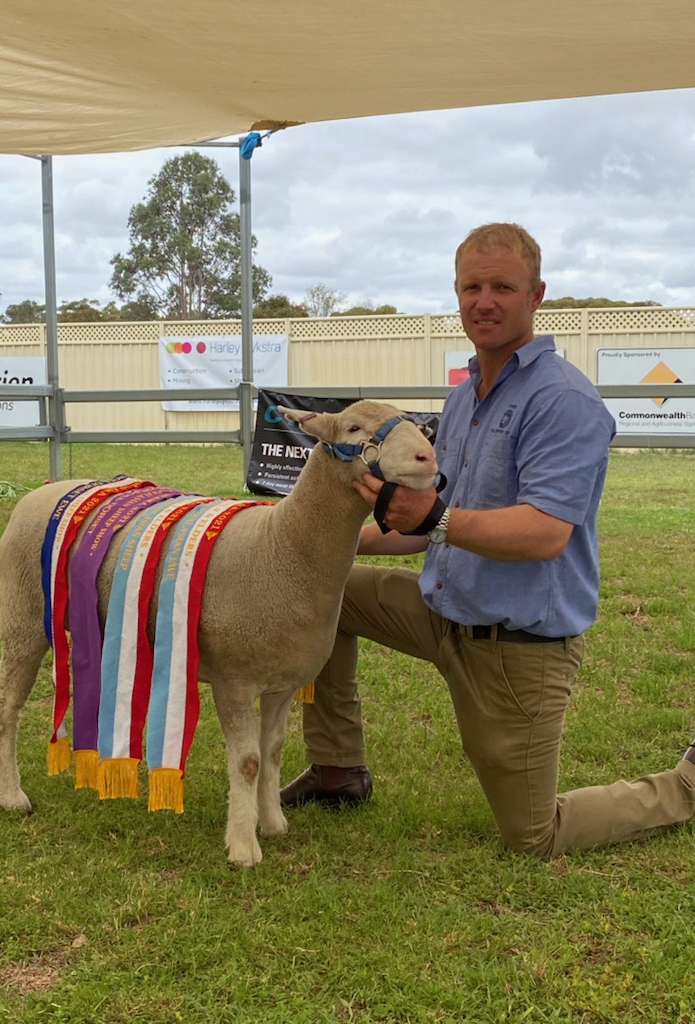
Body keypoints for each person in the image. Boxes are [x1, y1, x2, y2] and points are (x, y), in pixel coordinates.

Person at [280, 222, 695, 858]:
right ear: (457, 295)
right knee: (326, 594)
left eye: (503, 285)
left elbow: (543, 534)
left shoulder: (562, 401)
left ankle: (687, 785)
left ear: (537, 295)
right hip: (442, 610)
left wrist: (432, 518)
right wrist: (321, 544)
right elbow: (427, 530)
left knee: (534, 836)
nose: (485, 300)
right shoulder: (462, 396)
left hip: (517, 647)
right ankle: (338, 769)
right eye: (472, 286)